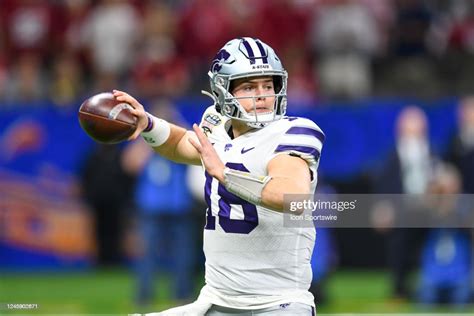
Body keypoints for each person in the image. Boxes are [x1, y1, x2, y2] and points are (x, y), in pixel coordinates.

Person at [116, 37, 324, 315]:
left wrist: (227, 175)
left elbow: (293, 198)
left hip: (277, 303)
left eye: (267, 85)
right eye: (248, 86)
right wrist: (148, 124)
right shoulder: (216, 124)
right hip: (217, 301)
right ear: (222, 91)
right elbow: (182, 144)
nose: (261, 95)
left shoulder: (293, 133)